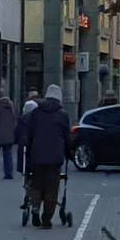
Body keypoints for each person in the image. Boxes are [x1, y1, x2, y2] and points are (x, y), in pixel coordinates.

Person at [20, 86, 73, 229]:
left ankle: (35, 208)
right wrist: (70, 153)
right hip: (55, 158)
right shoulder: (63, 115)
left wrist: (29, 152)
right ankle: (46, 219)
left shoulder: (36, 113)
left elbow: (29, 135)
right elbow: (67, 137)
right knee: (51, 188)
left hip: (37, 156)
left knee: (36, 184)